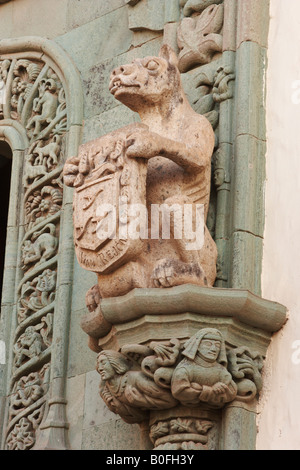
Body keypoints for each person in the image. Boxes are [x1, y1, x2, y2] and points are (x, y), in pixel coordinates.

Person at [171, 328, 237, 407]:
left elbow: (232, 393)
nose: (213, 349)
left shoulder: (221, 370)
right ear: (197, 346)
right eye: (208, 344)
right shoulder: (186, 368)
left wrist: (199, 389)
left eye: (217, 345)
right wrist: (211, 391)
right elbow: (179, 392)